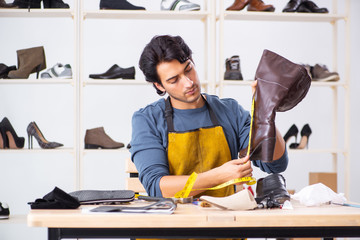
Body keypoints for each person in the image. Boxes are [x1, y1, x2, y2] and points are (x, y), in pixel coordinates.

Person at [130, 35, 288, 198]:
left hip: (226, 220)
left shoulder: (229, 111)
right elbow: (158, 188)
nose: (188, 83)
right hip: (175, 221)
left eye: (188, 69)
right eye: (174, 80)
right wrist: (219, 176)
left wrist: (266, 110)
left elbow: (275, 164)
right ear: (159, 85)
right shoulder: (148, 120)